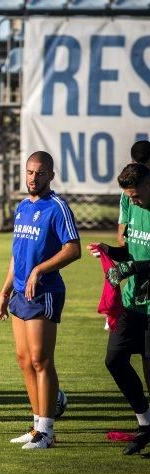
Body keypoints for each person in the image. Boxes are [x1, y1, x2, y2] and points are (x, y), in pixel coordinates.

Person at [0, 151, 81, 450]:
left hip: (45, 293)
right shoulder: (21, 206)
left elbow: (73, 249)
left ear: (51, 176)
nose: (33, 178)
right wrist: (5, 291)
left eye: (40, 173)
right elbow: (16, 254)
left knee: (41, 360)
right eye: (30, 172)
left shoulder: (57, 207)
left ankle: (47, 430)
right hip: (20, 293)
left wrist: (40, 270)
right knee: (24, 361)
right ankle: (36, 426)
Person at [87, 162, 150, 455]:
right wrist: (109, 250)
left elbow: (137, 261)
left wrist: (131, 267)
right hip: (132, 302)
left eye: (136, 196)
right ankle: (145, 424)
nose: (133, 201)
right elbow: (130, 249)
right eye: (130, 196)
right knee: (114, 359)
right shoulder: (135, 207)